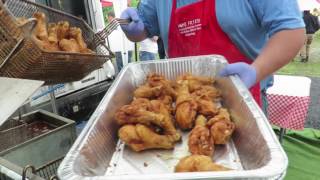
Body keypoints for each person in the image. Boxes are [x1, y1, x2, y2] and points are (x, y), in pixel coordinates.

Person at [120, 0, 305, 106]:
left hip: (243, 99)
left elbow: (290, 31)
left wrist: (256, 71)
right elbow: (144, 28)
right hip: (181, 100)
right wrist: (133, 27)